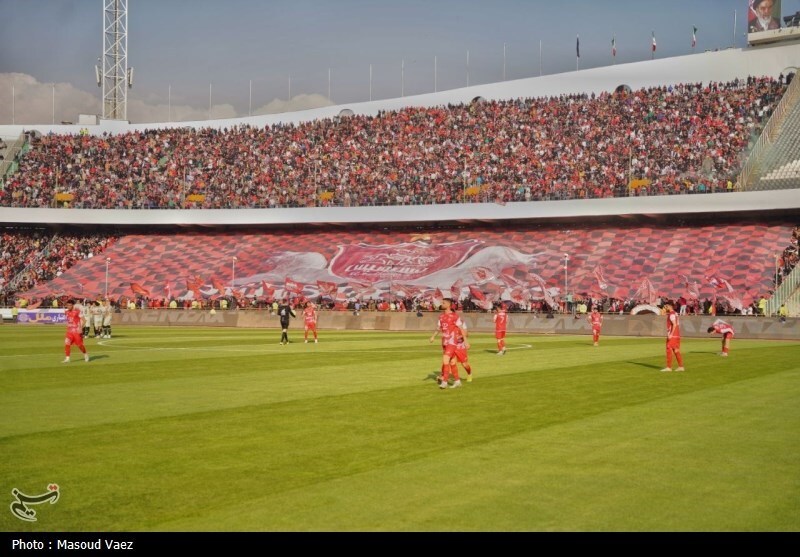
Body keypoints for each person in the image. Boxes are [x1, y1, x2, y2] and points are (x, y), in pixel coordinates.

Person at [429, 298, 467, 389]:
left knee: (445, 361)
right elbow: (439, 328)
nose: (442, 304)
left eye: (443, 303)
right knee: (452, 362)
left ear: (449, 305)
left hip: (452, 342)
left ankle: (444, 382)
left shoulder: (455, 316)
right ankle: (457, 381)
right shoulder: (441, 317)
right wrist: (433, 336)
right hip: (444, 341)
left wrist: (466, 341)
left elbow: (461, 329)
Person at [62, 299, 90, 363]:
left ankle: (85, 354)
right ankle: (67, 358)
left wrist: (81, 328)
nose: (69, 306)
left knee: (80, 345)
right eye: (68, 305)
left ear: (73, 305)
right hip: (69, 331)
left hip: (76, 332)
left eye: (70, 305)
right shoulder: (66, 312)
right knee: (67, 343)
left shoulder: (77, 312)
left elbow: (84, 320)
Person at [661, 302, 685, 372]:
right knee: (676, 350)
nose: (665, 307)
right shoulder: (675, 313)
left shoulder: (671, 314)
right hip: (677, 334)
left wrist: (671, 334)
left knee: (669, 349)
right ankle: (681, 367)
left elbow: (674, 324)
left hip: (673, 335)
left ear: (670, 306)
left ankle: (669, 367)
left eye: (666, 306)